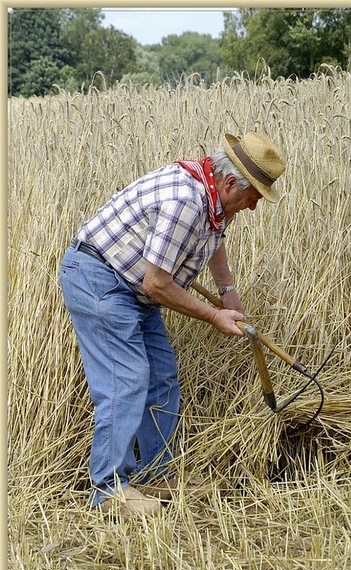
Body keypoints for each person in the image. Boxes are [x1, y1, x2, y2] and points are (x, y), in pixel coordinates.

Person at [59, 132, 286, 519]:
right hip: (100, 279)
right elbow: (157, 283)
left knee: (161, 377)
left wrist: (227, 290)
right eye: (253, 198)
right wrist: (215, 316)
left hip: (134, 290)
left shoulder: (213, 200)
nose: (252, 208)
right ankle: (109, 491)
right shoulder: (184, 199)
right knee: (125, 380)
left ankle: (155, 473)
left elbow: (212, 239)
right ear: (231, 183)